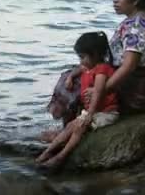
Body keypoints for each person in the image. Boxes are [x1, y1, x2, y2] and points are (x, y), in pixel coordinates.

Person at [43, 0, 145, 142]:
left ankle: (68, 132)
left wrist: (102, 90)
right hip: (142, 89)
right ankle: (70, 128)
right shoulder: (138, 21)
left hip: (135, 93)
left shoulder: (137, 26)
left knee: (77, 83)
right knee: (74, 73)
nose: (115, 0)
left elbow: (128, 67)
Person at [36, 31, 119, 168]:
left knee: (78, 128)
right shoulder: (89, 66)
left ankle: (61, 156)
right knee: (70, 126)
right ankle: (47, 153)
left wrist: (90, 114)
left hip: (106, 113)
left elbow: (98, 92)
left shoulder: (102, 70)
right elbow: (79, 69)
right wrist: (70, 77)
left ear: (96, 55)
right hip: (95, 112)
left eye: (82, 57)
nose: (81, 61)